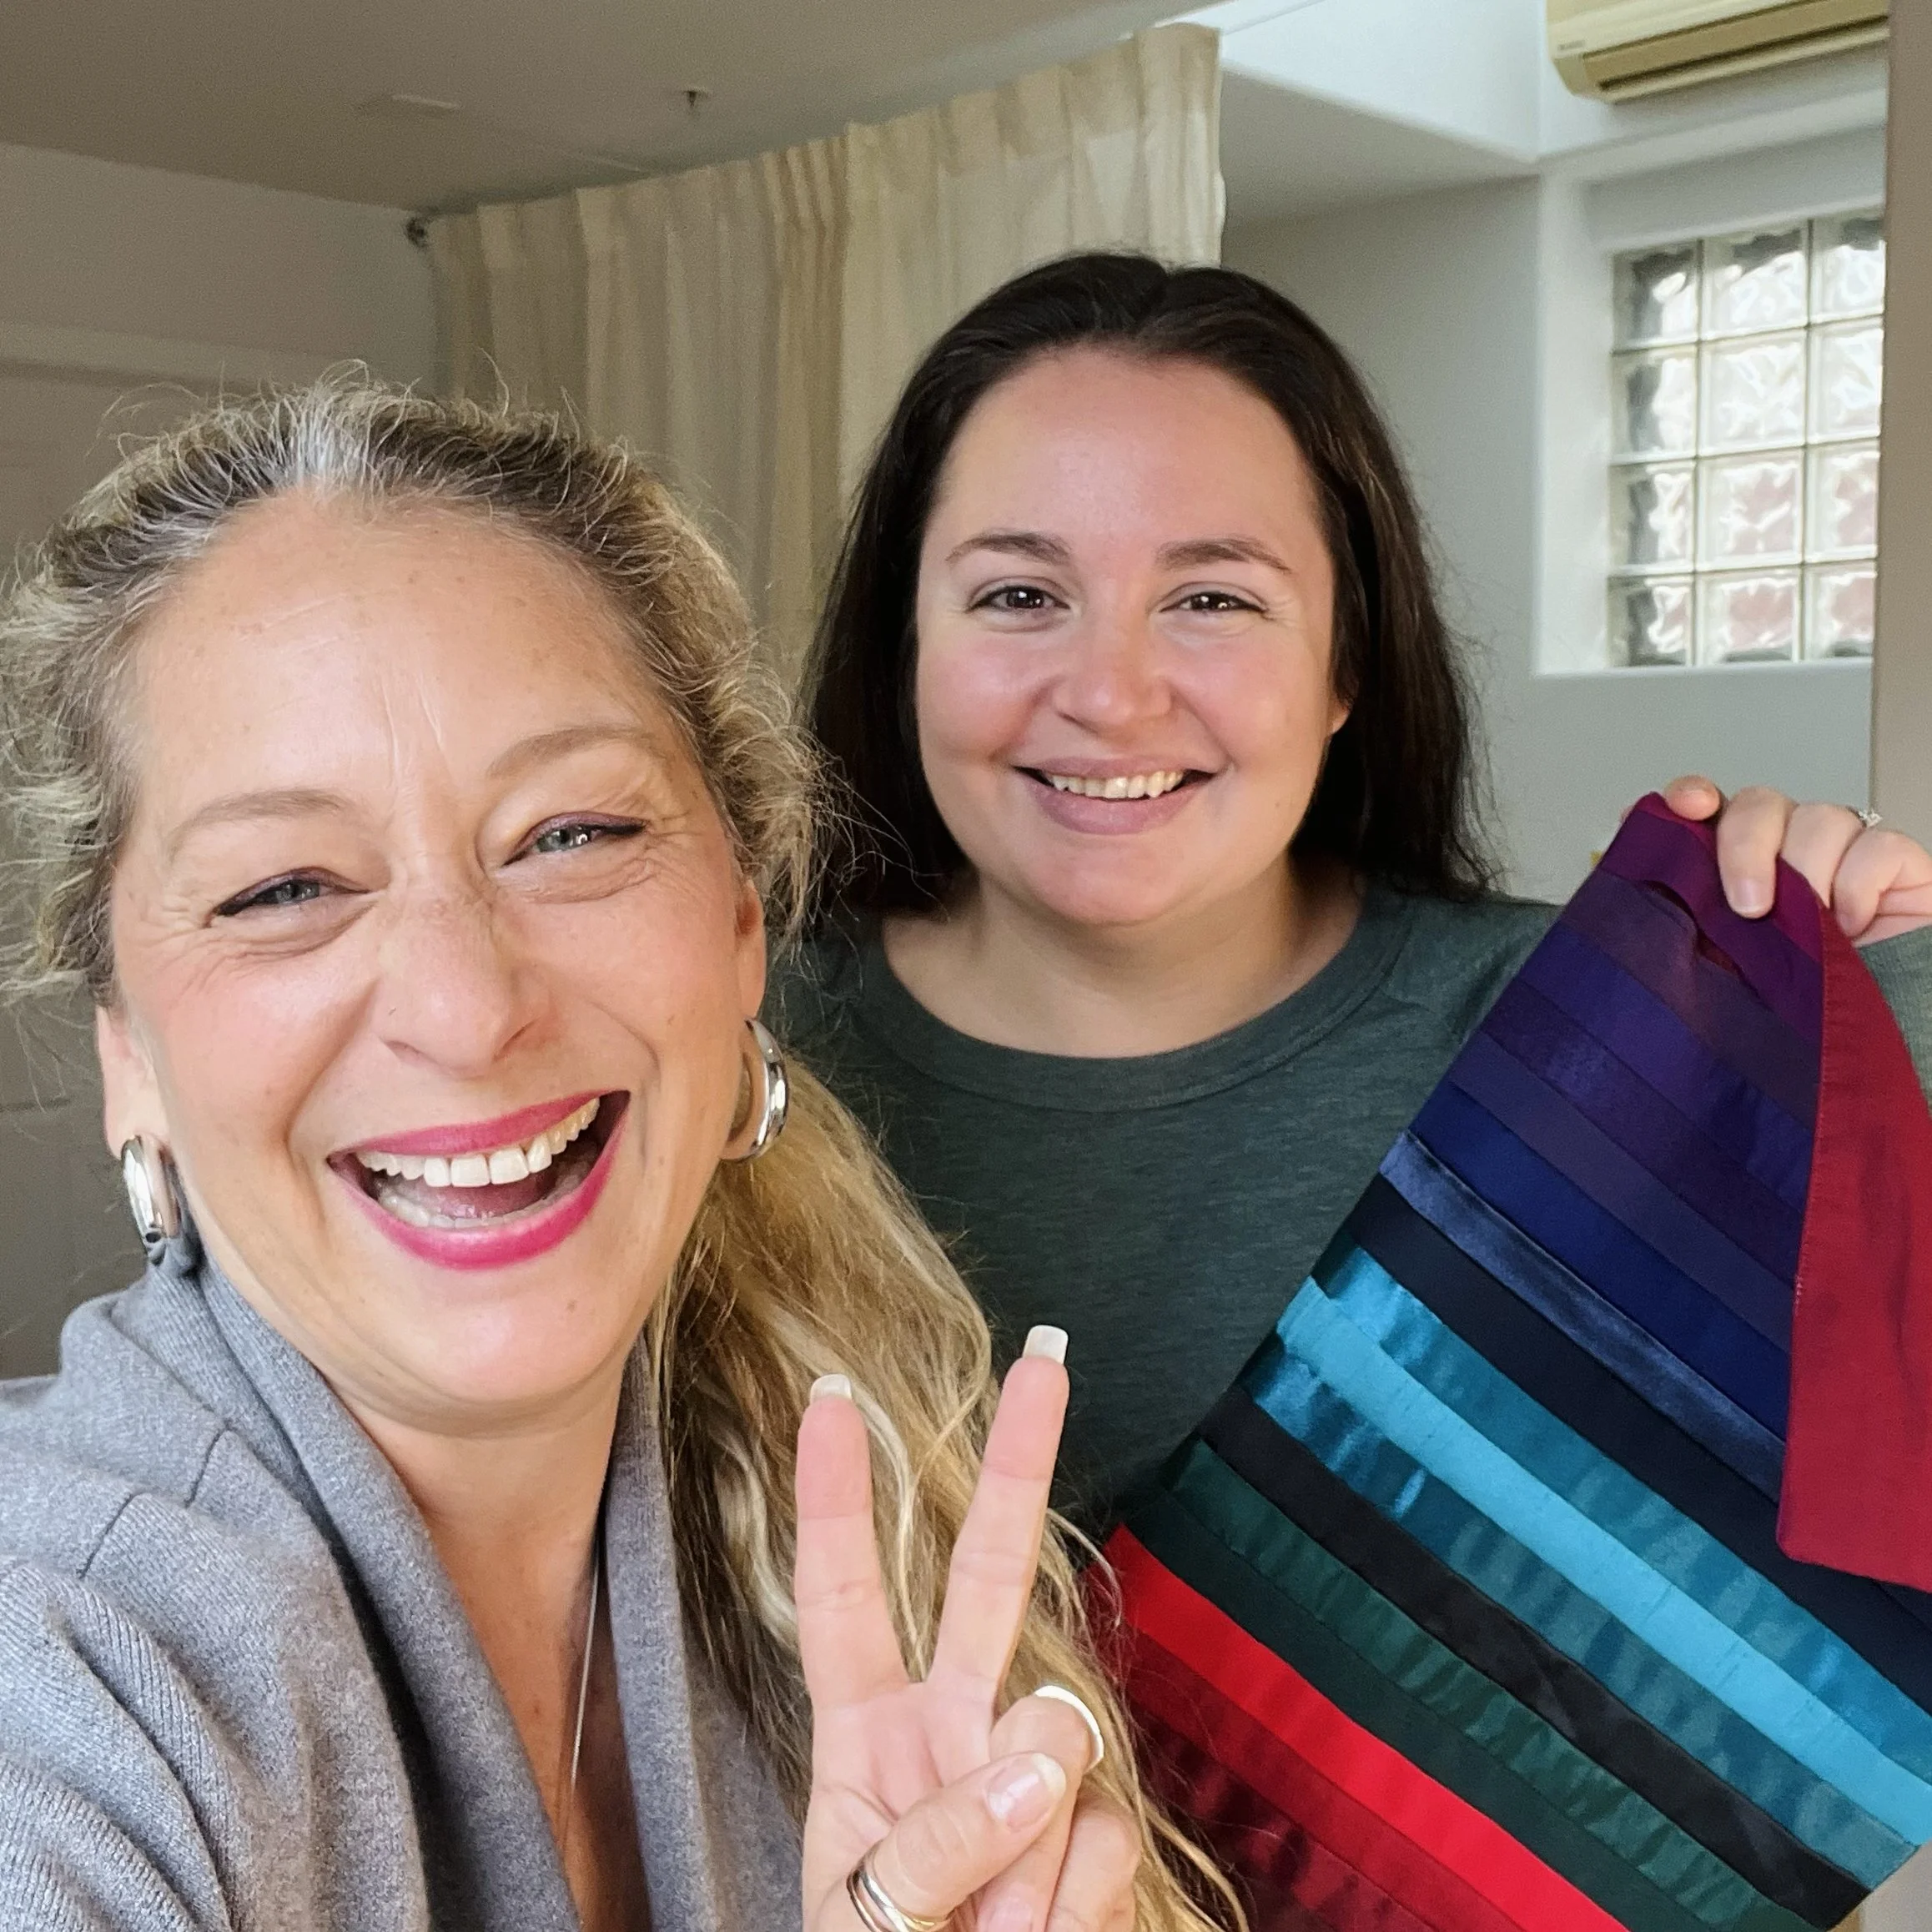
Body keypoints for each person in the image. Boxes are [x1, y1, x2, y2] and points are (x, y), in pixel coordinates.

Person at [0, 381, 1235, 1932]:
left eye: (571, 834)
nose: (467, 1010)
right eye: (283, 889)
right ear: (130, 1053)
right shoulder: (61, 1669)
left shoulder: (804, 1511)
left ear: (741, 926)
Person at [780, 251, 1932, 1534]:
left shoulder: (1595, 1041)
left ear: (1347, 665)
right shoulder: (723, 1048)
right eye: (1017, 594)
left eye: (1212, 598)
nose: (1109, 693)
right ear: (907, 645)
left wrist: (1897, 1003)